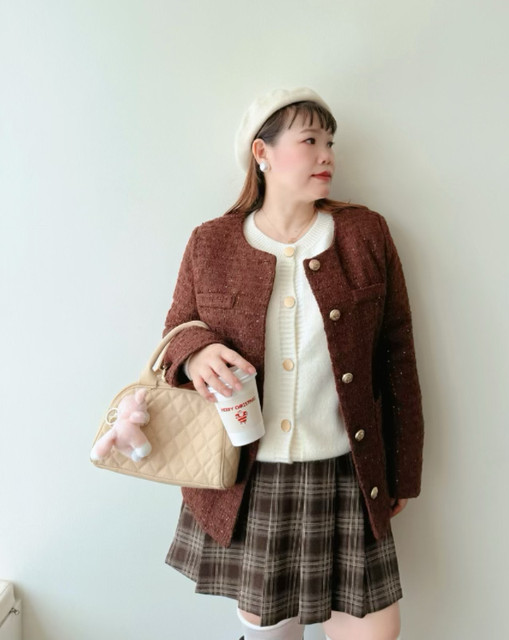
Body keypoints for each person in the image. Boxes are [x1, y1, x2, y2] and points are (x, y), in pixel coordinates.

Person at [161, 87, 424, 640]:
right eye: (310, 141)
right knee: (271, 635)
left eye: (331, 142)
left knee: (378, 633)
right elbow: (174, 337)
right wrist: (196, 351)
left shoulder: (364, 234)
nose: (327, 155)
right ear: (262, 153)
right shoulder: (211, 243)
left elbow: (397, 352)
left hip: (348, 473)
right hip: (251, 480)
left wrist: (403, 470)